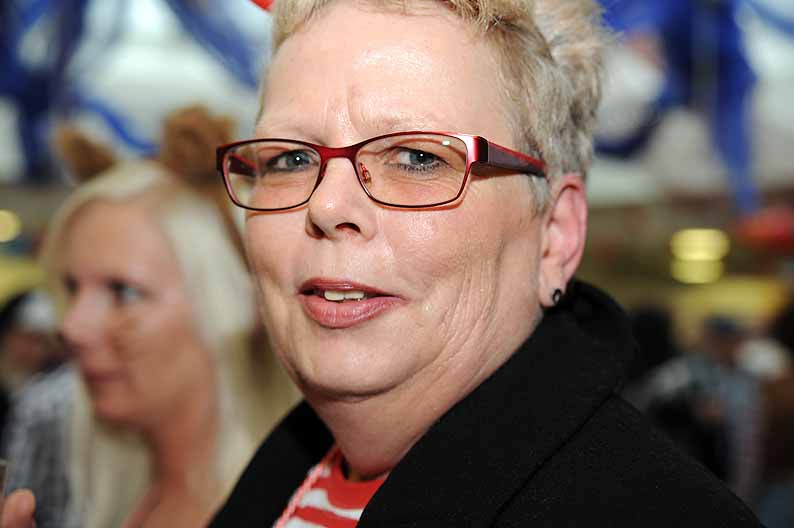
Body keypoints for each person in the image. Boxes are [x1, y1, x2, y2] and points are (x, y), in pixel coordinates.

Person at [3, 0, 762, 526]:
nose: (328, 204)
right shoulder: (282, 477)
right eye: (291, 157)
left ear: (555, 236)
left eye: (417, 157)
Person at [2, 107, 299, 528]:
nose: (72, 326)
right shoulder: (117, 495)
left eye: (123, 291)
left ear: (232, 305)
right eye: (72, 288)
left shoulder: (301, 511)